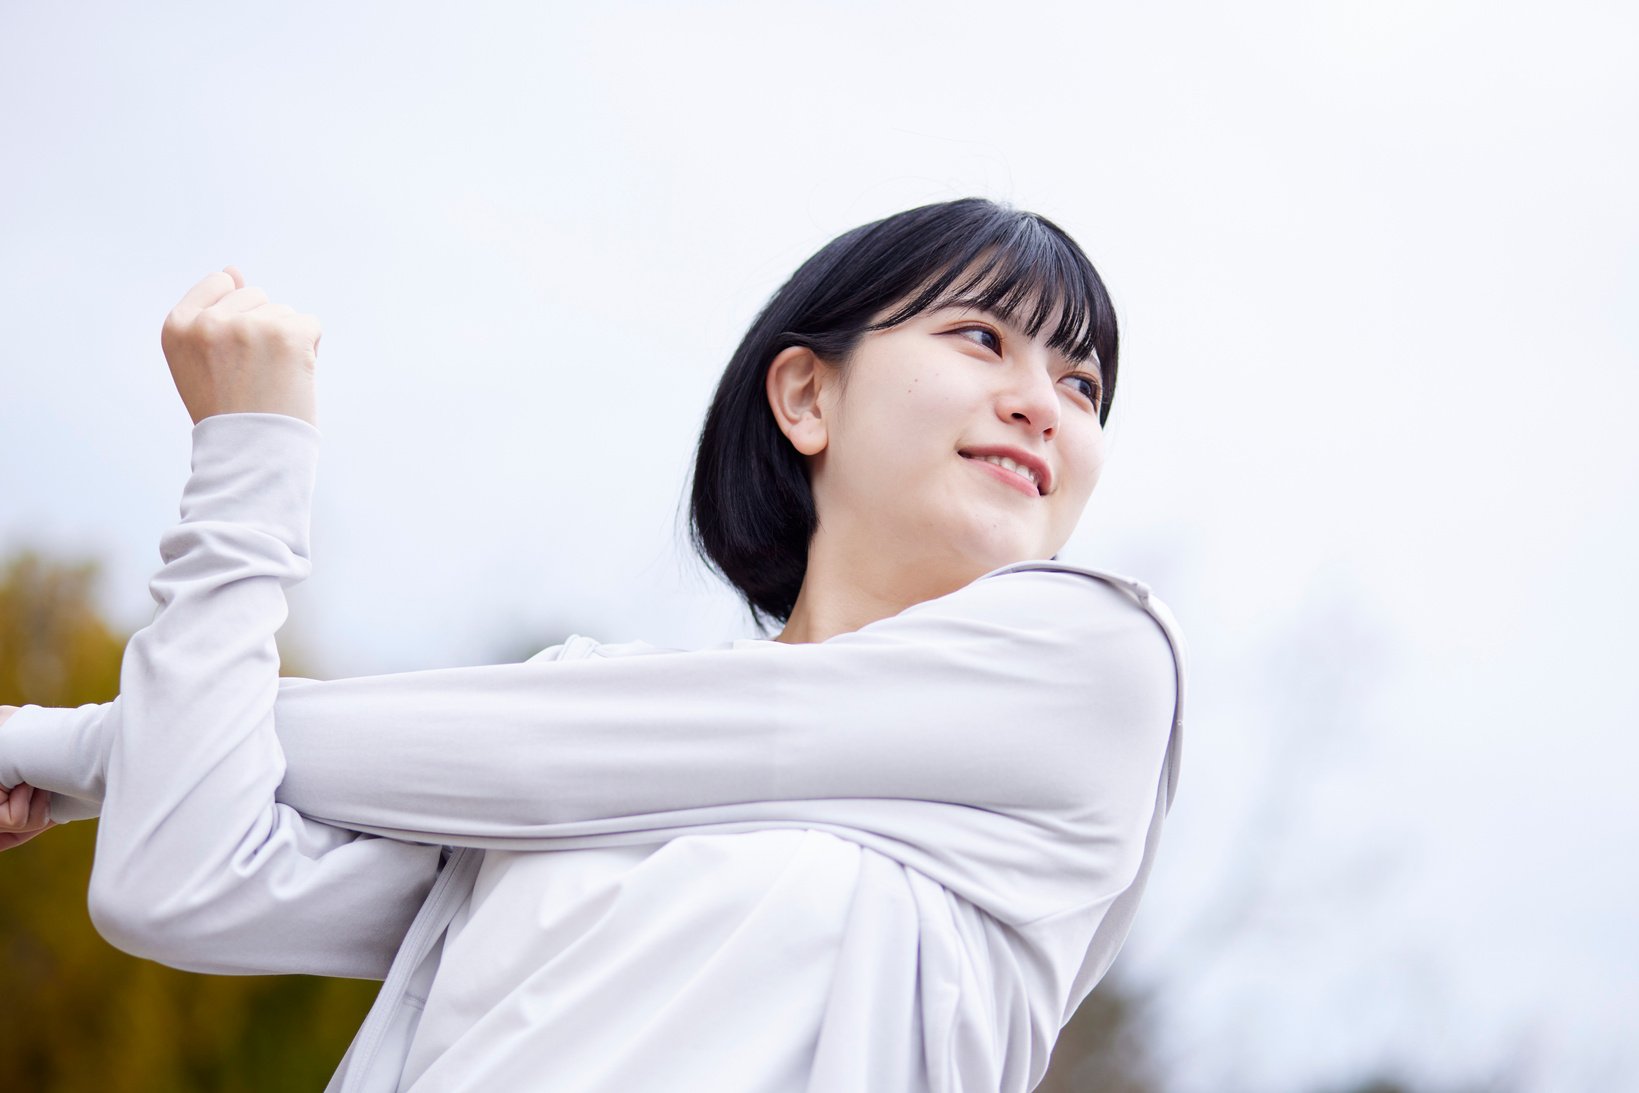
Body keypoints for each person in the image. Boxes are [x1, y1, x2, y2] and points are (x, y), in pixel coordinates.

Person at [0, 196, 1188, 1093]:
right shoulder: (580, 712)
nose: (1044, 401)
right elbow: (180, 877)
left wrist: (76, 744)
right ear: (805, 399)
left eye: (1083, 383)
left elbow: (530, 760)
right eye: (983, 338)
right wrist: (251, 453)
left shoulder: (1098, 672)